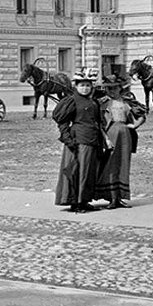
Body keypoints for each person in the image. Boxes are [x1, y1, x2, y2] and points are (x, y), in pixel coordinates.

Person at [52, 70, 106, 213]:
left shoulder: (93, 101)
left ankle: (85, 200)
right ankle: (76, 202)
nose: (85, 88)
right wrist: (67, 138)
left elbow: (98, 122)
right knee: (78, 171)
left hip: (92, 139)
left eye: (88, 85)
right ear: (76, 86)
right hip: (78, 141)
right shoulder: (72, 100)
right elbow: (62, 122)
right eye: (82, 85)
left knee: (88, 171)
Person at [95, 83, 147, 209]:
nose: (111, 91)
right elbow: (98, 123)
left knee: (123, 164)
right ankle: (111, 197)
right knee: (110, 165)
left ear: (120, 88)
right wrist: (105, 139)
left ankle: (119, 197)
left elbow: (142, 116)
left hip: (125, 136)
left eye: (114, 88)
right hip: (110, 134)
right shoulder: (102, 103)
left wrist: (134, 125)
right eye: (109, 88)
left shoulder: (127, 102)